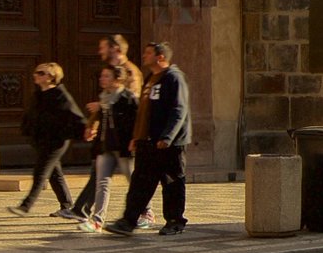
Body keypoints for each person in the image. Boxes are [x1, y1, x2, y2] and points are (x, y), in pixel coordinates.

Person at [105, 42, 191, 236]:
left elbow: (179, 110)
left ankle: (175, 221)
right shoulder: (152, 79)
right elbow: (143, 111)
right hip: (148, 141)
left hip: (170, 143)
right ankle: (128, 221)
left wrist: (168, 136)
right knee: (140, 182)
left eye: (149, 53)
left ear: (160, 57)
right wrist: (137, 136)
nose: (144, 55)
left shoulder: (174, 78)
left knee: (172, 182)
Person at [11, 62, 87, 219]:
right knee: (54, 173)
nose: (35, 75)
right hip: (41, 140)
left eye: (40, 73)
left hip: (56, 141)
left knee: (41, 172)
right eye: (36, 72)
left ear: (51, 77)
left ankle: (26, 206)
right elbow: (31, 116)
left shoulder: (60, 95)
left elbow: (76, 116)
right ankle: (67, 206)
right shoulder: (38, 94)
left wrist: (87, 130)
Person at [81, 60, 141, 230]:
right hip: (107, 145)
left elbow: (138, 121)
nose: (102, 79)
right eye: (102, 75)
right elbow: (100, 117)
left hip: (124, 147)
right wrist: (91, 128)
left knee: (134, 182)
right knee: (102, 182)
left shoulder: (128, 98)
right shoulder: (104, 97)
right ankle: (97, 220)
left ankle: (146, 212)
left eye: (106, 76)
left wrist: (135, 139)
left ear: (118, 80)